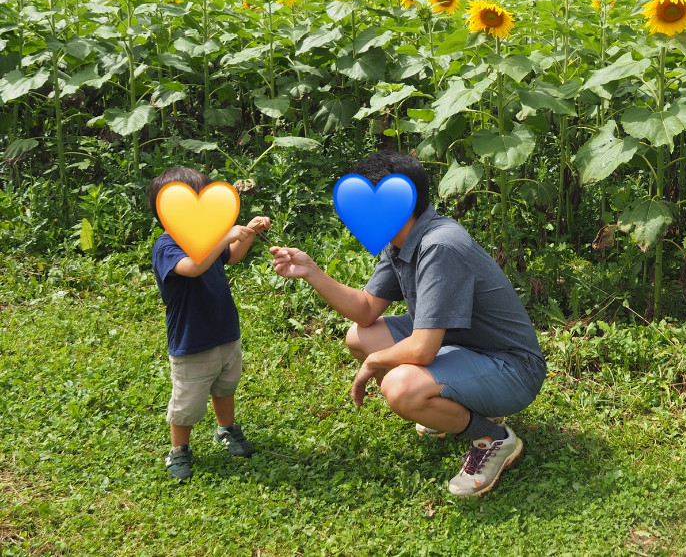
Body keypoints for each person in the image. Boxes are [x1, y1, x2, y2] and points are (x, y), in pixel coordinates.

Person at [269, 150, 546, 498]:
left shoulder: (439, 245)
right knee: (361, 337)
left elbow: (423, 348)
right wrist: (311, 271)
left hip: (512, 369)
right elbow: (366, 309)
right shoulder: (400, 238)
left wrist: (375, 363)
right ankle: (442, 409)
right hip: (462, 347)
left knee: (400, 386)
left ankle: (491, 437)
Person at [148, 166, 271, 481]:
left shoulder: (208, 240)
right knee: (187, 400)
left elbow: (230, 256)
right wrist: (224, 236)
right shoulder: (167, 246)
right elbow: (192, 267)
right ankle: (179, 450)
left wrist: (247, 234)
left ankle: (226, 429)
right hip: (192, 340)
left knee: (225, 384)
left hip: (224, 331)